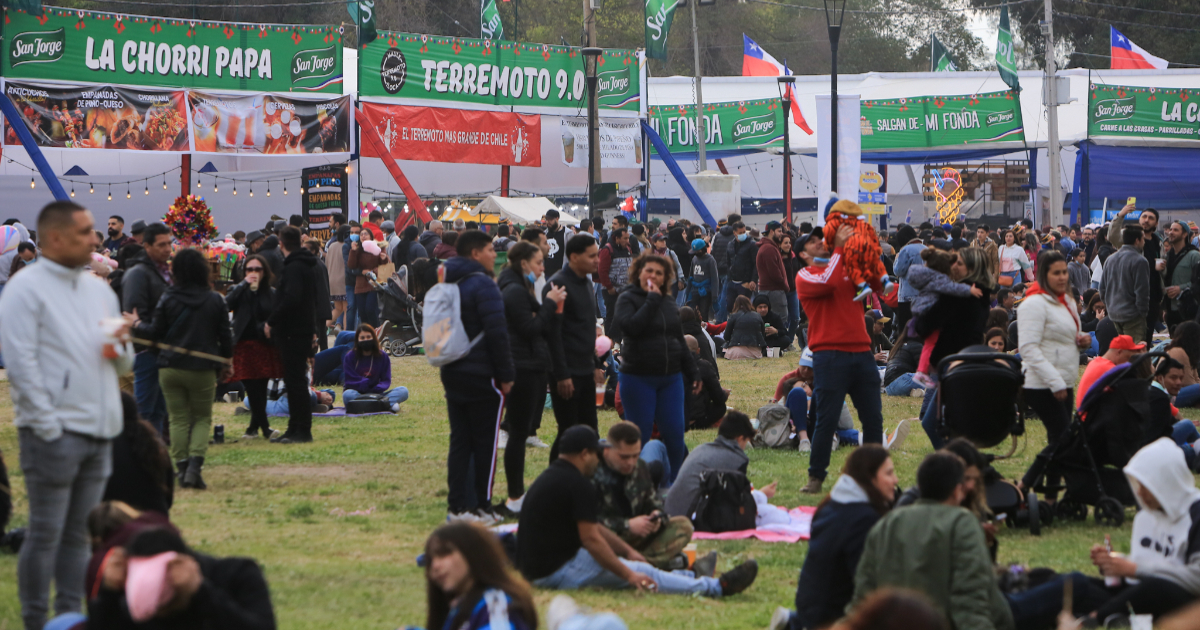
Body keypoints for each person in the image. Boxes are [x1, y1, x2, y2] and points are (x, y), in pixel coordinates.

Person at [1, 201, 135, 630]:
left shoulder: (99, 289)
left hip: (100, 427)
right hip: (53, 431)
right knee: (45, 532)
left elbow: (121, 364)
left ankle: (72, 618)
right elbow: (20, 364)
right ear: (54, 238)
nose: (94, 240)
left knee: (80, 534)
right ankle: (37, 620)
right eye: (84, 232)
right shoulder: (25, 289)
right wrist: (46, 425)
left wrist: (118, 344)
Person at [517, 426, 758, 597]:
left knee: (642, 562)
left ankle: (689, 577)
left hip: (547, 565)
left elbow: (594, 528)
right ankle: (715, 588)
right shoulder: (578, 483)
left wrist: (630, 552)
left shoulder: (554, 477)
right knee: (640, 572)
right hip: (554, 571)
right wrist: (629, 574)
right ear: (585, 454)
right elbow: (592, 539)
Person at [850, 452, 1015, 630]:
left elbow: (862, 597)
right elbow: (969, 602)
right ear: (957, 490)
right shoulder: (961, 522)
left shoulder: (887, 523)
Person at [132, 248, 232, 491]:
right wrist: (227, 361)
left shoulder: (168, 298)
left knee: (176, 419)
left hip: (170, 367)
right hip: (203, 368)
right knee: (201, 418)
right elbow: (226, 337)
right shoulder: (215, 300)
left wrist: (135, 323)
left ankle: (181, 466)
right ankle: (195, 468)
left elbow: (155, 332)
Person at [796, 224, 886, 494]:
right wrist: (838, 249)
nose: (819, 243)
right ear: (802, 254)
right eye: (812, 242)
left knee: (873, 419)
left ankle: (874, 476)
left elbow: (876, 283)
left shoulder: (843, 266)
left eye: (820, 239)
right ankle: (816, 477)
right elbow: (829, 283)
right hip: (830, 354)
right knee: (826, 418)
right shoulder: (805, 275)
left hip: (861, 351)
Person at [775, 446, 896, 630]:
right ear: (870, 478)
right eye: (889, 473)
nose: (895, 480)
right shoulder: (863, 519)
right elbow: (865, 581)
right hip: (830, 616)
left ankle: (794, 623)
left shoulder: (832, 505)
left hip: (810, 606)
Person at [441, 230, 515, 523]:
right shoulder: (483, 285)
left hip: (452, 368)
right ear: (475, 253)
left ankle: (456, 507)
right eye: (488, 249)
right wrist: (507, 374)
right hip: (483, 372)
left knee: (460, 441)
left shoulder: (446, 280)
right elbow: (498, 333)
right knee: (485, 444)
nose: (493, 254)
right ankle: (480, 507)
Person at [613, 254, 698, 483]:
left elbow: (678, 339)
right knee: (638, 435)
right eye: (648, 270)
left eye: (659, 273)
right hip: (638, 377)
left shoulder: (669, 301)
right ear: (638, 272)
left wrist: (692, 370)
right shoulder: (627, 297)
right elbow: (630, 328)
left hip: (670, 378)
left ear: (665, 278)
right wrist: (651, 300)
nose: (653, 276)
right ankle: (638, 485)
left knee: (674, 435)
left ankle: (673, 485)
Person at [87, 527, 275, 629]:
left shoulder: (237, 575)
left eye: (169, 607)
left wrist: (202, 592)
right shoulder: (123, 599)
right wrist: (108, 594)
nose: (163, 616)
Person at [497, 241, 564, 515]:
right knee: (517, 433)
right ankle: (515, 495)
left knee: (520, 431)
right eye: (538, 262)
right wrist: (549, 304)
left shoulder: (516, 286)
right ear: (524, 263)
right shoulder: (514, 290)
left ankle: (517, 494)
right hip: (523, 366)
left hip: (527, 363)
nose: (542, 268)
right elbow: (530, 327)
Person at [914, 247, 995, 449]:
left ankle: (957, 464)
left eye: (959, 263)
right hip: (967, 362)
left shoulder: (957, 294)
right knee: (950, 423)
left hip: (952, 363)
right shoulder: (982, 294)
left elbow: (924, 324)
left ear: (971, 268)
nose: (953, 266)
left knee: (932, 423)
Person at [592, 422, 695, 570]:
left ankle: (636, 564)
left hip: (637, 536)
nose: (631, 462)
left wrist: (656, 517)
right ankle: (648, 564)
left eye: (635, 455)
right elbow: (587, 524)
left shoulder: (639, 468)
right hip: (605, 538)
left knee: (683, 526)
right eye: (624, 457)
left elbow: (653, 502)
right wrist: (628, 525)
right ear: (607, 451)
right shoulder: (592, 471)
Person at [1018, 251, 1088, 453]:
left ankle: (1051, 482)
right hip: (1041, 384)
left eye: (1064, 272)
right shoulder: (1033, 304)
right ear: (1044, 276)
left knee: (1059, 440)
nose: (1062, 277)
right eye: (1056, 273)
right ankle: (1031, 480)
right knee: (1064, 439)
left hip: (1064, 380)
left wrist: (1081, 340)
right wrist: (1054, 382)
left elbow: (1068, 335)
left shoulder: (1066, 301)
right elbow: (1028, 349)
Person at [545, 235, 601, 461]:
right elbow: (552, 334)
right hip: (566, 372)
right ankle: (555, 479)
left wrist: (596, 364)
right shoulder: (558, 284)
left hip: (585, 369)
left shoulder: (587, 283)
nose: (597, 260)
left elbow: (587, 328)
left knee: (590, 430)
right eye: (592, 256)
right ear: (574, 257)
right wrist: (562, 374)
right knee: (567, 432)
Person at [421, 522, 537, 630]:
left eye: (444, 553)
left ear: (472, 553)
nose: (435, 565)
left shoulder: (494, 603)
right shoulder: (458, 606)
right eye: (429, 560)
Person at [267, 226, 319, 445]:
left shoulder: (293, 267)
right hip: (301, 329)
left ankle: (301, 430)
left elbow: (291, 298)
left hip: (292, 331)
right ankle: (294, 428)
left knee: (295, 382)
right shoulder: (305, 264)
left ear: (281, 243)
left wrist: (272, 320)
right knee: (295, 381)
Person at [906, 248, 985, 387]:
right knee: (931, 345)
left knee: (930, 345)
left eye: (959, 264)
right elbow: (952, 288)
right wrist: (969, 290)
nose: (954, 267)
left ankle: (925, 371)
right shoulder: (940, 279)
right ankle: (922, 372)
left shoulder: (926, 276)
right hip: (931, 318)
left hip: (922, 315)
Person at [122, 222, 173, 437]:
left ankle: (156, 449)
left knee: (160, 408)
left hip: (163, 348)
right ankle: (141, 449)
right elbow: (134, 313)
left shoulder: (162, 271)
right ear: (147, 246)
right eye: (161, 245)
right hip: (147, 349)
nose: (167, 249)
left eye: (169, 243)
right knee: (145, 407)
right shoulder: (139, 274)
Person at [225, 255, 283, 440]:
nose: (253, 273)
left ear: (264, 272)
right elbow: (225, 304)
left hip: (264, 345)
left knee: (261, 387)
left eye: (257, 269)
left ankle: (252, 429)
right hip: (244, 345)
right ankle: (264, 429)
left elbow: (277, 316)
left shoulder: (271, 293)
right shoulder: (239, 290)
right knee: (252, 387)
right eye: (249, 269)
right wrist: (243, 284)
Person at [664, 412, 754, 517]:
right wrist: (762, 495)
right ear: (740, 438)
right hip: (687, 519)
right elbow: (739, 499)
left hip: (669, 510)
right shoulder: (737, 458)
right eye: (746, 441)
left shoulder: (702, 448)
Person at [102, 393, 173, 516]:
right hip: (157, 520)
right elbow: (168, 495)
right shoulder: (153, 444)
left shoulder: (103, 447)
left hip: (115, 521)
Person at [1110, 204, 1164, 333]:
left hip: (1153, 297)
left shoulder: (1158, 241)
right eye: (1144, 216)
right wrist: (1120, 215)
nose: (1146, 220)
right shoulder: (1129, 236)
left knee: (1148, 336)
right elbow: (1112, 237)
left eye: (1151, 218)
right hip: (1132, 299)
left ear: (1156, 223)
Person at [1101, 222, 1151, 343]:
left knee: (1123, 350)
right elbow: (1142, 292)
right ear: (1137, 240)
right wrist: (1142, 313)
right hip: (1133, 316)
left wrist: (1110, 305)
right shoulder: (1140, 261)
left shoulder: (1110, 259)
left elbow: (1102, 288)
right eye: (1143, 239)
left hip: (1114, 313)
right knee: (1135, 353)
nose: (1144, 242)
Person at [340, 324, 409, 412]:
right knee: (347, 395)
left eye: (369, 337)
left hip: (377, 394)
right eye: (362, 338)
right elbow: (350, 380)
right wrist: (365, 384)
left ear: (374, 338)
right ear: (357, 340)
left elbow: (386, 380)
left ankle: (365, 406)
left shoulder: (383, 356)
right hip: (357, 393)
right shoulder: (350, 356)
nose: (366, 340)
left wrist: (377, 388)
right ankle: (383, 405)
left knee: (403, 391)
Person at [684, 335, 727, 430]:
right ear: (698, 351)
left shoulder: (671, 366)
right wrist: (724, 393)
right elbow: (719, 398)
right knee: (721, 407)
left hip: (676, 418)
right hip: (697, 419)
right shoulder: (704, 366)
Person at [717, 222, 758, 324]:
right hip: (732, 281)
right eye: (741, 232)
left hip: (745, 282)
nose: (743, 234)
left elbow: (756, 264)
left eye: (744, 231)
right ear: (734, 233)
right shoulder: (730, 245)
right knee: (730, 306)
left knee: (745, 308)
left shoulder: (751, 245)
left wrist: (753, 280)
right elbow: (728, 261)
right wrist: (729, 275)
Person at [1162, 220, 1200, 327]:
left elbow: (1198, 282)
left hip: (1189, 309)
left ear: (1184, 234)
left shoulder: (1194, 255)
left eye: (1175, 230)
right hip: (1171, 309)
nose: (1171, 232)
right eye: (1170, 230)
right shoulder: (1167, 256)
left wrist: (1181, 288)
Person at [347, 232, 388, 328]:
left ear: (371, 236)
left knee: (370, 309)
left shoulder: (378, 247)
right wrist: (353, 251)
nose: (363, 236)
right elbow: (351, 266)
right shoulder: (357, 250)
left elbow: (384, 266)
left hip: (373, 284)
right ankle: (367, 332)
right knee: (362, 312)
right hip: (360, 285)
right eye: (361, 234)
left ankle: (375, 330)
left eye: (366, 234)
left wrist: (383, 259)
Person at [598, 228, 634, 333]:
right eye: (625, 238)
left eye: (628, 238)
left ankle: (618, 339)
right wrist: (609, 287)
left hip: (625, 289)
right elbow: (602, 271)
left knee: (623, 314)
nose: (628, 241)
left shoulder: (628, 249)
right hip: (611, 290)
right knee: (612, 315)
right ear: (617, 238)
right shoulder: (607, 250)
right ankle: (610, 340)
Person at [891, 224, 925, 336]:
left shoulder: (906, 250)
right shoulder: (927, 248)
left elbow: (898, 271)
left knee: (905, 332)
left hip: (907, 297)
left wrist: (896, 259)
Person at [756, 221, 789, 320]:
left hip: (771, 291)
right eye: (779, 231)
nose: (781, 234)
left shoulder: (768, 247)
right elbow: (775, 274)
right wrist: (785, 286)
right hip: (774, 291)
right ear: (771, 231)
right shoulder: (769, 249)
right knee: (780, 320)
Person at [723, 295, 766, 360]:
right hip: (756, 352)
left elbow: (726, 336)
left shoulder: (733, 316)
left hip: (736, 352)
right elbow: (763, 334)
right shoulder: (757, 315)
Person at [324, 226, 348, 334]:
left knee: (338, 308)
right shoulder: (347, 247)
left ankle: (322, 326)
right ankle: (346, 333)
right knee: (347, 309)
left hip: (332, 281)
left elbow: (327, 264)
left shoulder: (331, 246)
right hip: (344, 281)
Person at [688, 238, 719, 321]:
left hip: (706, 291)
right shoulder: (694, 259)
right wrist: (688, 291)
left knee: (703, 312)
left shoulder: (710, 260)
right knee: (693, 311)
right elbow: (691, 276)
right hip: (695, 290)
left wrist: (714, 295)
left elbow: (714, 278)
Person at [543, 209, 573, 278]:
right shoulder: (545, 233)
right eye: (546, 219)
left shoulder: (568, 234)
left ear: (557, 219)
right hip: (546, 272)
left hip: (562, 273)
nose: (548, 222)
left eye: (550, 219)